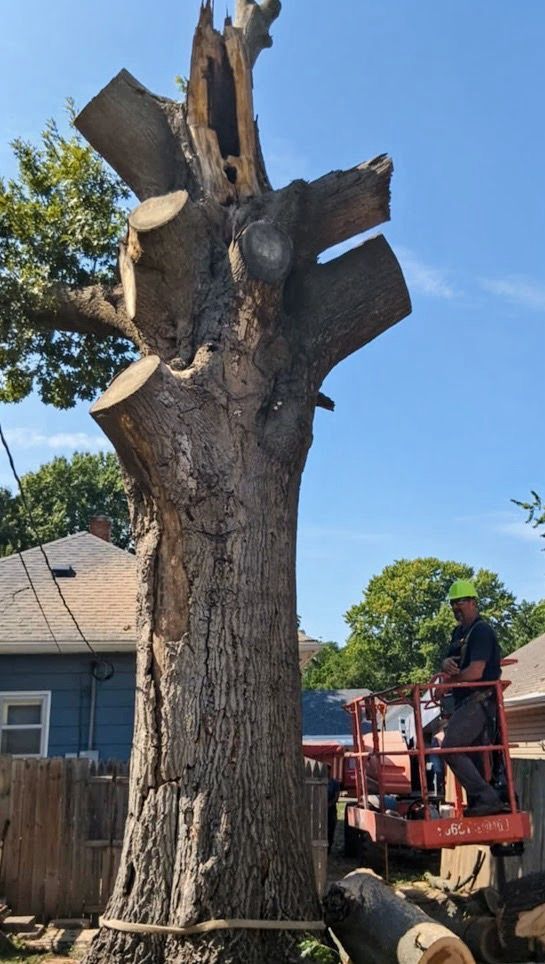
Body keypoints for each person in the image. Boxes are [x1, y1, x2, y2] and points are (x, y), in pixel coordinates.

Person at [440, 579, 505, 817]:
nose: (457, 607)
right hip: (464, 704)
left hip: (479, 701)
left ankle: (487, 799)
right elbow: (449, 661)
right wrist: (444, 663)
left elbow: (476, 672)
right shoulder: (459, 633)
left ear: (473, 602)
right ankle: (484, 804)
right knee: (475, 758)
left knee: (450, 748)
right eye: (453, 604)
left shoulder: (481, 631)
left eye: (461, 602)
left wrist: (448, 683)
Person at [326, 765, 341, 852]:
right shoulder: (320, 781)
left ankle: (329, 847)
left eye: (327, 770)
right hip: (321, 809)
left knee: (330, 829)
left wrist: (330, 804)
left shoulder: (334, 783)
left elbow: (336, 796)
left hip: (331, 810)